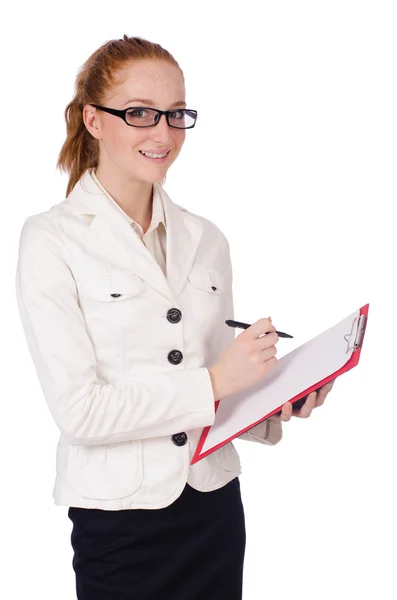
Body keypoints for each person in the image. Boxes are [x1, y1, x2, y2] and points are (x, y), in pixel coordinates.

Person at [15, 34, 335, 600]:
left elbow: (215, 393)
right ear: (93, 119)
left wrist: (273, 399)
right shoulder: (51, 240)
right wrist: (216, 381)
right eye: (139, 113)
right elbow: (80, 413)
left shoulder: (207, 239)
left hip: (212, 508)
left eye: (176, 114)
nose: (163, 133)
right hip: (118, 522)